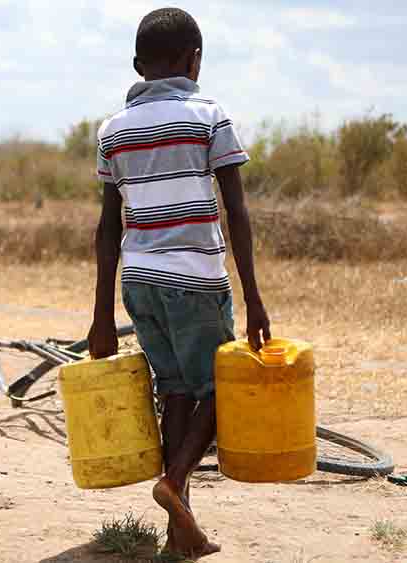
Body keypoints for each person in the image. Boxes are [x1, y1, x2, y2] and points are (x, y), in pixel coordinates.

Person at [87, 7, 271, 560]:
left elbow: (106, 228)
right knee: (221, 389)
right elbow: (235, 210)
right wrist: (255, 298)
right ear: (195, 60)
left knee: (177, 392)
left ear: (138, 66)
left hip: (138, 281)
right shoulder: (207, 115)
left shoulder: (113, 131)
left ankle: (178, 533)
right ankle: (175, 479)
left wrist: (100, 316)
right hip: (195, 278)